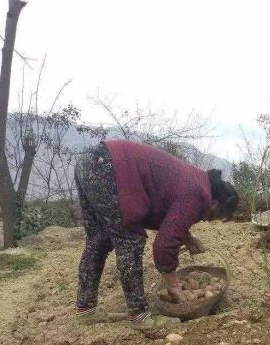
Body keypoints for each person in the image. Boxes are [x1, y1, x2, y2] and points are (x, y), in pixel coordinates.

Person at [74, 140, 238, 329]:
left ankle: (86, 309)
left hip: (91, 161)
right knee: (130, 239)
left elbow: (167, 212)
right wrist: (173, 284)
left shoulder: (197, 181)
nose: (209, 220)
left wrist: (187, 237)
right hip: (111, 166)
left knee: (99, 239)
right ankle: (139, 316)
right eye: (215, 217)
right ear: (216, 204)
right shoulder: (198, 193)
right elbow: (163, 245)